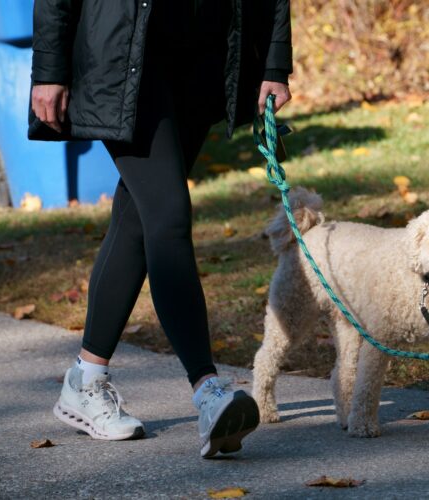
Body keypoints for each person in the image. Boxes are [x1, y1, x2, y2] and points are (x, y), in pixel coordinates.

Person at [28, 0, 292, 458]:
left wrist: (273, 63)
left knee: (138, 219)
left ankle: (85, 379)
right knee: (168, 216)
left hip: (202, 58)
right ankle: (207, 390)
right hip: (124, 56)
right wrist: (50, 68)